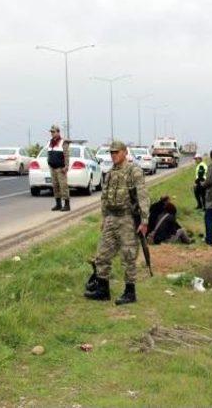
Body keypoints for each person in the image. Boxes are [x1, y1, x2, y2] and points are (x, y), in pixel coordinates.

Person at [85, 141, 149, 305]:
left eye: (116, 152)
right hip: (111, 219)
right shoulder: (110, 173)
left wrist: (144, 220)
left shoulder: (133, 171)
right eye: (111, 152)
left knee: (128, 257)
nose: (113, 155)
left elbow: (142, 195)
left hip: (127, 218)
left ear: (125, 152)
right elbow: (104, 197)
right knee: (102, 255)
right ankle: (103, 289)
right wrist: (104, 218)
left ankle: (130, 292)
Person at [46, 124, 70, 212]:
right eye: (51, 132)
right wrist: (49, 163)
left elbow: (66, 155)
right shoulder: (50, 142)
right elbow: (48, 154)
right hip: (52, 168)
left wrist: (66, 166)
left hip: (61, 168)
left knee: (63, 186)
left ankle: (67, 205)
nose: (52, 133)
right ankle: (58, 204)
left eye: (53, 132)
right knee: (55, 186)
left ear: (58, 132)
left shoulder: (63, 142)